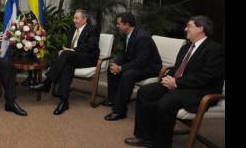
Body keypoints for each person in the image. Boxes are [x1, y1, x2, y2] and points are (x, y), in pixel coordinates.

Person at [124, 16, 224, 148]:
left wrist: (177, 82)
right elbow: (178, 68)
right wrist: (168, 77)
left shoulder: (215, 49)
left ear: (201, 28)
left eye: (189, 26)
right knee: (145, 92)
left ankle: (162, 144)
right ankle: (145, 137)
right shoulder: (186, 47)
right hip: (179, 84)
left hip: (199, 90)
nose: (185, 29)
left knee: (166, 102)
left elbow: (207, 77)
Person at [30, 9, 100, 115]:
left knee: (66, 55)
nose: (74, 20)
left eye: (77, 18)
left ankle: (47, 83)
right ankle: (64, 101)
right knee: (67, 65)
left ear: (84, 19)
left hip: (87, 58)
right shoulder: (72, 30)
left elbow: (91, 46)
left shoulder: (92, 29)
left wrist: (71, 51)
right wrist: (64, 50)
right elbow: (68, 47)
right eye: (74, 18)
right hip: (72, 58)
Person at [103, 12, 162, 121]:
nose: (117, 26)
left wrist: (121, 68)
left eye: (119, 24)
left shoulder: (142, 37)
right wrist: (116, 64)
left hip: (150, 68)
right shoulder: (128, 34)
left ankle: (120, 111)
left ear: (127, 24)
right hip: (137, 63)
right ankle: (113, 100)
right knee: (111, 68)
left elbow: (141, 61)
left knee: (127, 75)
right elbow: (125, 54)